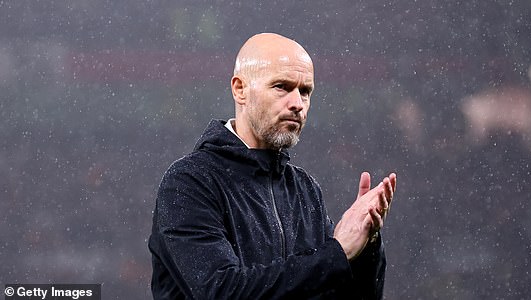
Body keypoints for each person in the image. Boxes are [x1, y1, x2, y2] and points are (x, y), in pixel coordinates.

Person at [148, 32, 397, 299]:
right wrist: (338, 253)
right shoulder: (190, 181)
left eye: (305, 92)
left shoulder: (304, 188)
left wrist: (365, 247)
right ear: (240, 89)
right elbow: (221, 291)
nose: (297, 104)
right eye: (282, 87)